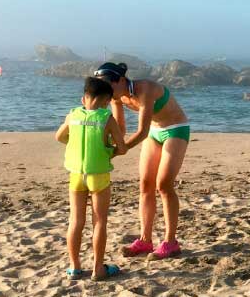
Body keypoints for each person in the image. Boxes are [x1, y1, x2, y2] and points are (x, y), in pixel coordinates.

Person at [94, 62, 189, 260]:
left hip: (176, 128)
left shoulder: (145, 89)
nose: (106, 92)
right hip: (155, 132)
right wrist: (109, 145)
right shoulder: (117, 96)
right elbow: (121, 128)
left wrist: (121, 150)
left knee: (164, 185)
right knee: (145, 185)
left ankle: (171, 242)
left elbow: (141, 131)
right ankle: (145, 241)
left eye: (108, 86)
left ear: (120, 80)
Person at [55, 77, 128, 281]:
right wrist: (109, 151)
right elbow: (122, 148)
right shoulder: (106, 118)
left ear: (84, 98)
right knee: (99, 222)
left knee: (76, 221)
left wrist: (74, 144)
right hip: (98, 176)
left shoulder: (73, 115)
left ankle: (74, 267)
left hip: (76, 175)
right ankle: (98, 269)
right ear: (106, 101)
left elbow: (59, 137)